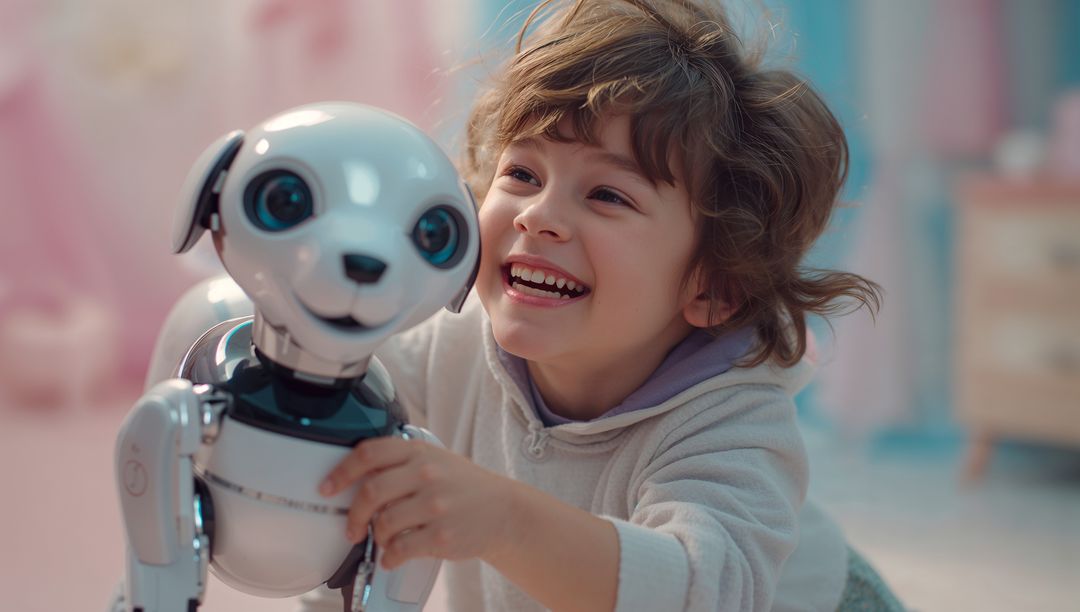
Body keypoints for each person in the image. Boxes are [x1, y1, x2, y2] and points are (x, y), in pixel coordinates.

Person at [315, 1, 902, 610]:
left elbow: (700, 590)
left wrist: (505, 519)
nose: (538, 215)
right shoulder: (449, 343)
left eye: (606, 194)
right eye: (522, 172)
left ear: (714, 285)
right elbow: (336, 438)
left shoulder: (732, 421)